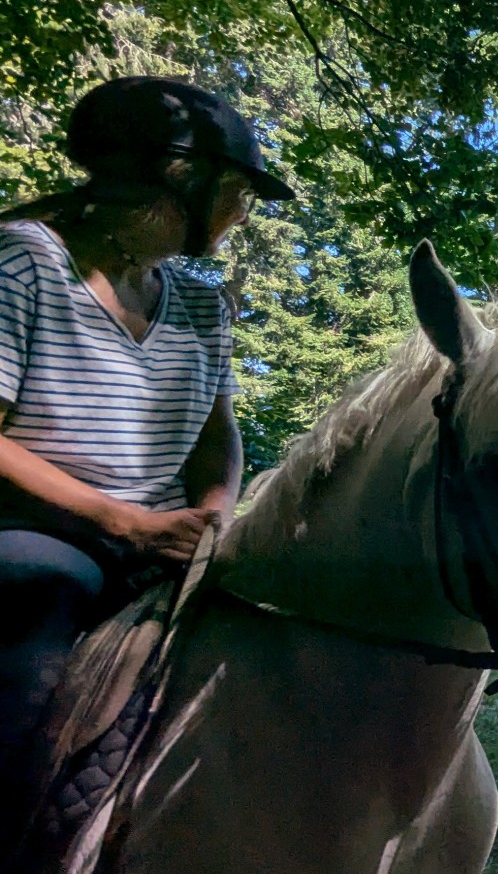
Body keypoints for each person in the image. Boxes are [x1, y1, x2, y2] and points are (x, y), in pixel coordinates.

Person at [0, 77, 295, 835]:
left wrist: (215, 515)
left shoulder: (199, 302)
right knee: (37, 600)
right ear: (178, 180)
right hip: (43, 533)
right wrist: (124, 522)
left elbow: (216, 438)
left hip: (165, 536)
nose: (245, 213)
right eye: (239, 191)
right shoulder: (25, 262)